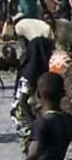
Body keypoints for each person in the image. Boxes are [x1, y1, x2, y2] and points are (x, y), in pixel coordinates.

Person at [10, 14, 55, 148]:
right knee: (32, 150)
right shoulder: (31, 72)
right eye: (48, 50)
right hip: (23, 116)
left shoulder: (35, 66)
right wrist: (35, 123)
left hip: (28, 113)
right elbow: (22, 102)